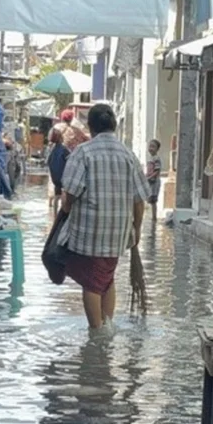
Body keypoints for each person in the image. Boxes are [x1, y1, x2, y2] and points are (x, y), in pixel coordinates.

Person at [59, 104, 151, 329]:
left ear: (90, 126)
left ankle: (97, 334)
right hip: (119, 232)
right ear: (114, 126)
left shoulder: (83, 153)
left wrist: (67, 210)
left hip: (89, 232)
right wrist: (136, 229)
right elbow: (140, 201)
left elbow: (69, 194)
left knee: (92, 282)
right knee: (106, 278)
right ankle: (107, 326)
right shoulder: (129, 155)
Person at [47, 128, 69, 216]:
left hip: (55, 178)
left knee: (57, 195)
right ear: (60, 138)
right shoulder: (64, 149)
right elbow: (70, 159)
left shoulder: (52, 150)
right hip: (63, 176)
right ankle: (64, 213)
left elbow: (48, 161)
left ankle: (55, 215)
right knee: (65, 195)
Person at [146, 139, 162, 222]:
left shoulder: (156, 158)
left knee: (153, 200)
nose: (151, 148)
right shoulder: (150, 158)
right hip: (150, 181)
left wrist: (150, 177)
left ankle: (154, 217)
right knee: (150, 199)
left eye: (153, 146)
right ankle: (152, 216)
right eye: (150, 146)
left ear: (157, 149)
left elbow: (157, 171)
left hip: (154, 182)